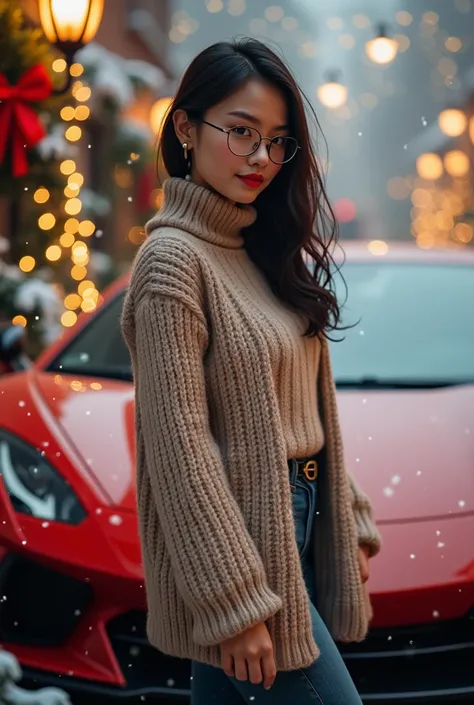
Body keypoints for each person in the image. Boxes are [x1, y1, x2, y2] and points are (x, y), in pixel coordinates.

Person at [121, 38, 381, 704]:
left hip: (294, 519)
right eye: (240, 132)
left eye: (276, 141)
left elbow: (297, 406)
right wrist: (234, 602)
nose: (261, 158)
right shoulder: (173, 262)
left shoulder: (254, 249)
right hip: (246, 536)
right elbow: (181, 449)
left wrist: (344, 512)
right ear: (185, 127)